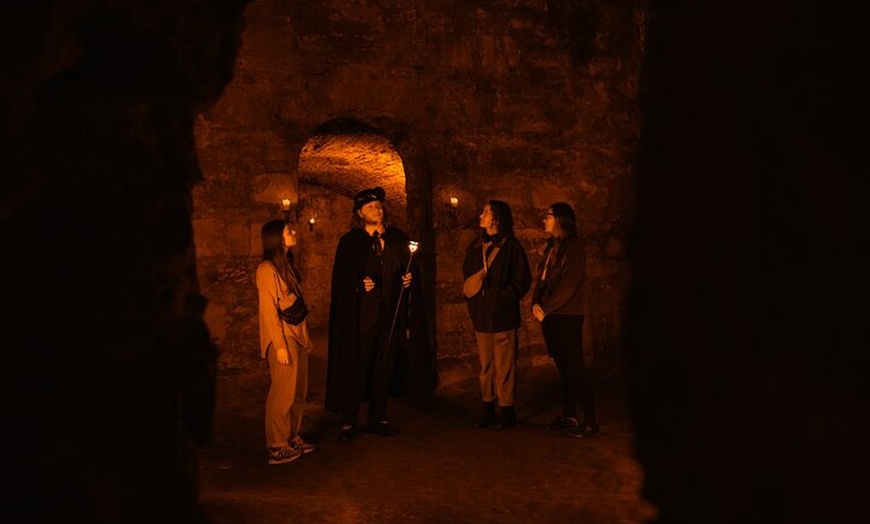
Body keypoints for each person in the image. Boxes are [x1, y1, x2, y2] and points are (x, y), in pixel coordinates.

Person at [325, 186, 426, 443]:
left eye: (379, 206)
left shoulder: (396, 238)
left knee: (384, 366)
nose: (377, 210)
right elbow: (341, 281)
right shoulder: (350, 242)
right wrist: (358, 285)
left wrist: (408, 280)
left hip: (390, 314)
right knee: (357, 366)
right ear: (360, 213)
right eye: (371, 207)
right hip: (361, 318)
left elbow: (409, 270)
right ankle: (349, 419)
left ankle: (378, 417)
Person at [463, 199, 532, 430]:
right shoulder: (475, 247)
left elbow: (522, 279)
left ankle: (506, 409)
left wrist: (503, 298)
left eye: (486, 212)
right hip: (482, 317)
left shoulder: (512, 247)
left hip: (503, 316)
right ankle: (487, 407)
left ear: (497, 218)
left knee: (505, 365)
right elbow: (467, 276)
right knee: (485, 365)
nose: (481, 215)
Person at [531, 203, 598, 439]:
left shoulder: (574, 248)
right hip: (552, 317)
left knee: (575, 367)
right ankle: (570, 415)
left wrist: (545, 307)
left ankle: (590, 421)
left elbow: (569, 286)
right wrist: (535, 304)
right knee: (563, 368)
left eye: (548, 216)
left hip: (567, 316)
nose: (544, 220)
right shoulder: (552, 247)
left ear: (560, 219)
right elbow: (541, 279)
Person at [255, 220, 316, 465]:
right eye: (288, 231)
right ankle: (277, 445)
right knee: (282, 393)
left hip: (297, 336)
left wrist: (306, 337)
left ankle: (291, 435)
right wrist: (279, 346)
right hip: (283, 338)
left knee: (298, 393)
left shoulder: (287, 266)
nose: (294, 233)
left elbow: (297, 307)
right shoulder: (266, 270)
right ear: (276, 238)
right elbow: (269, 311)